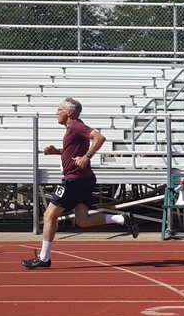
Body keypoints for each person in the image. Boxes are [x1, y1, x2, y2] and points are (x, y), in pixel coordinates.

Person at [21, 99, 139, 269]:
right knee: (83, 220)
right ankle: (122, 218)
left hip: (74, 179)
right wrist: (57, 152)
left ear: (69, 112)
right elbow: (73, 151)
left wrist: (87, 157)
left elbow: (99, 138)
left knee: (49, 215)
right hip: (84, 179)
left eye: (59, 109)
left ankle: (44, 258)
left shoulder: (76, 126)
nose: (56, 113)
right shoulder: (73, 129)